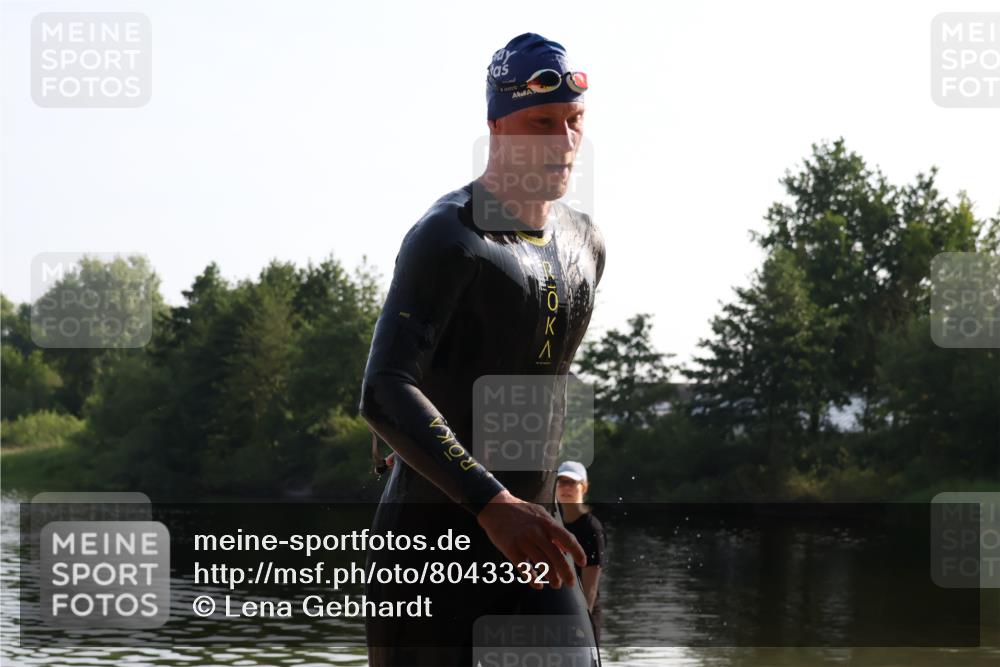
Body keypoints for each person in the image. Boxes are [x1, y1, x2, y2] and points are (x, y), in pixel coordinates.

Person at [358, 32, 606, 667]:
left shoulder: (585, 245)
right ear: (497, 126)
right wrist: (492, 504)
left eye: (574, 120)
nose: (563, 140)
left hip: (534, 546)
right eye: (541, 122)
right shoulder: (450, 235)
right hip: (428, 558)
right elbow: (384, 388)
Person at [556, 460, 606, 644]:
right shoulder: (553, 523)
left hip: (582, 616)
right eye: (561, 482)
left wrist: (579, 624)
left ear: (584, 487)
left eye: (572, 482)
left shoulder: (591, 528)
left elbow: (590, 587)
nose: (565, 487)